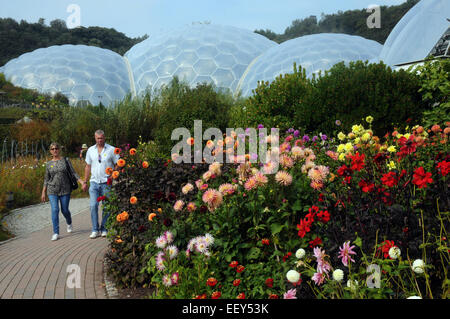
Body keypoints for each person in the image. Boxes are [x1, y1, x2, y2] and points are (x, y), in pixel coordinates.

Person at [41, 142, 86, 241]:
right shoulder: (48, 164)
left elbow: (73, 172)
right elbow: (46, 179)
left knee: (64, 210)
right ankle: (56, 232)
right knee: (55, 210)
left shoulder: (65, 160)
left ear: (59, 149)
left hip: (65, 189)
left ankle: (69, 222)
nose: (55, 150)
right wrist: (43, 192)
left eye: (56, 148)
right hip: (52, 190)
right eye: (52, 149)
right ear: (50, 151)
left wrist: (82, 181)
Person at [82, 130, 119, 239]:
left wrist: (112, 176)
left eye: (101, 138)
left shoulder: (111, 149)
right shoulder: (90, 150)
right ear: (95, 138)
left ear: (104, 137)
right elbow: (88, 166)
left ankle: (104, 228)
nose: (99, 140)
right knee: (93, 205)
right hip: (94, 182)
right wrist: (85, 181)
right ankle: (95, 229)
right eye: (97, 138)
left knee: (106, 207)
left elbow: (118, 164)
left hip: (106, 182)